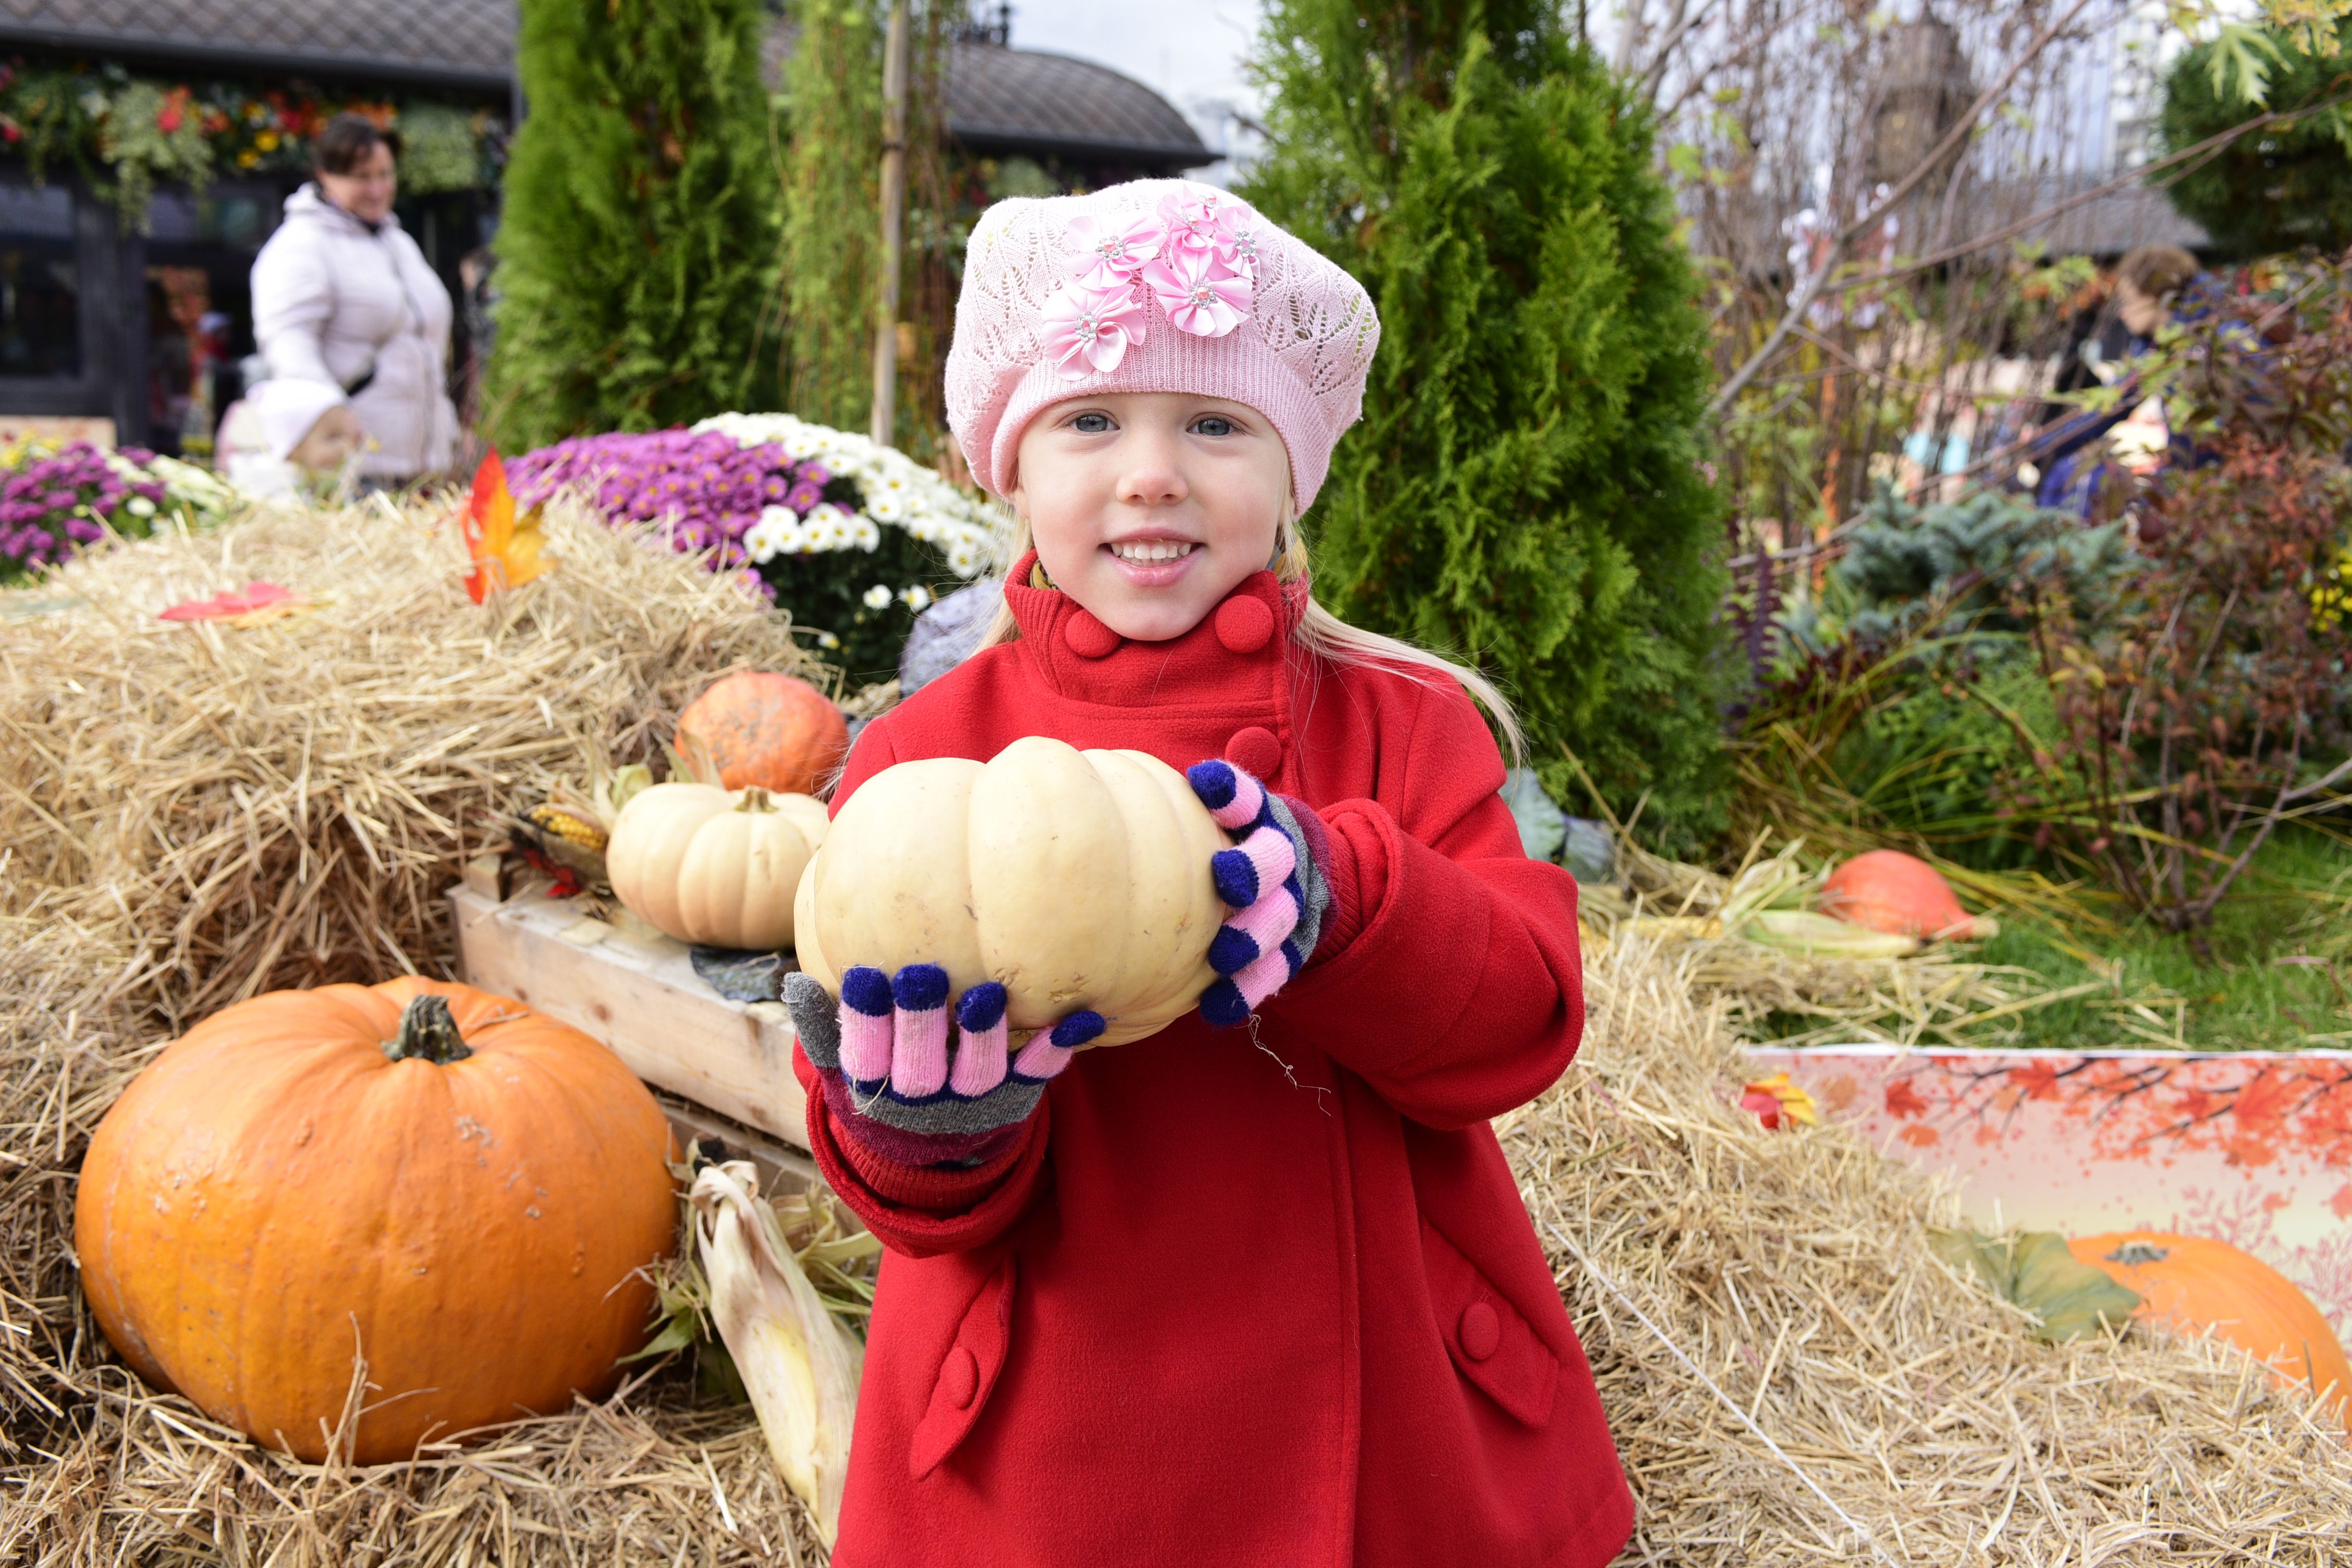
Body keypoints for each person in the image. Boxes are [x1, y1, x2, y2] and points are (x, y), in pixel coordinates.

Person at [780, 180, 1632, 1567]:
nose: (1155, 472)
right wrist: (924, 1131)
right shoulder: (923, 763)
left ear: (1293, 470)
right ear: (1012, 464)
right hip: (1056, 1437)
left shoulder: (1402, 726)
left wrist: (1344, 898)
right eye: (1092, 420)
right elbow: (910, 1208)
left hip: (1388, 1438)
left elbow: (1523, 1018)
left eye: (1216, 425)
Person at [249, 115, 457, 487]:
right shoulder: (302, 245)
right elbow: (288, 344)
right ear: (325, 176)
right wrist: (331, 421)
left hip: (428, 462)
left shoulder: (399, 243)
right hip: (358, 468)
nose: (378, 189)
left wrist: (451, 431)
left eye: (386, 174)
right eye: (362, 178)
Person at [2027, 244, 2201, 519]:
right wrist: (2041, 445)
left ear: (2158, 296)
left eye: (2127, 301)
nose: (2123, 313)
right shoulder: (2156, 349)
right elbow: (2110, 404)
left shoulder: (2203, 346)